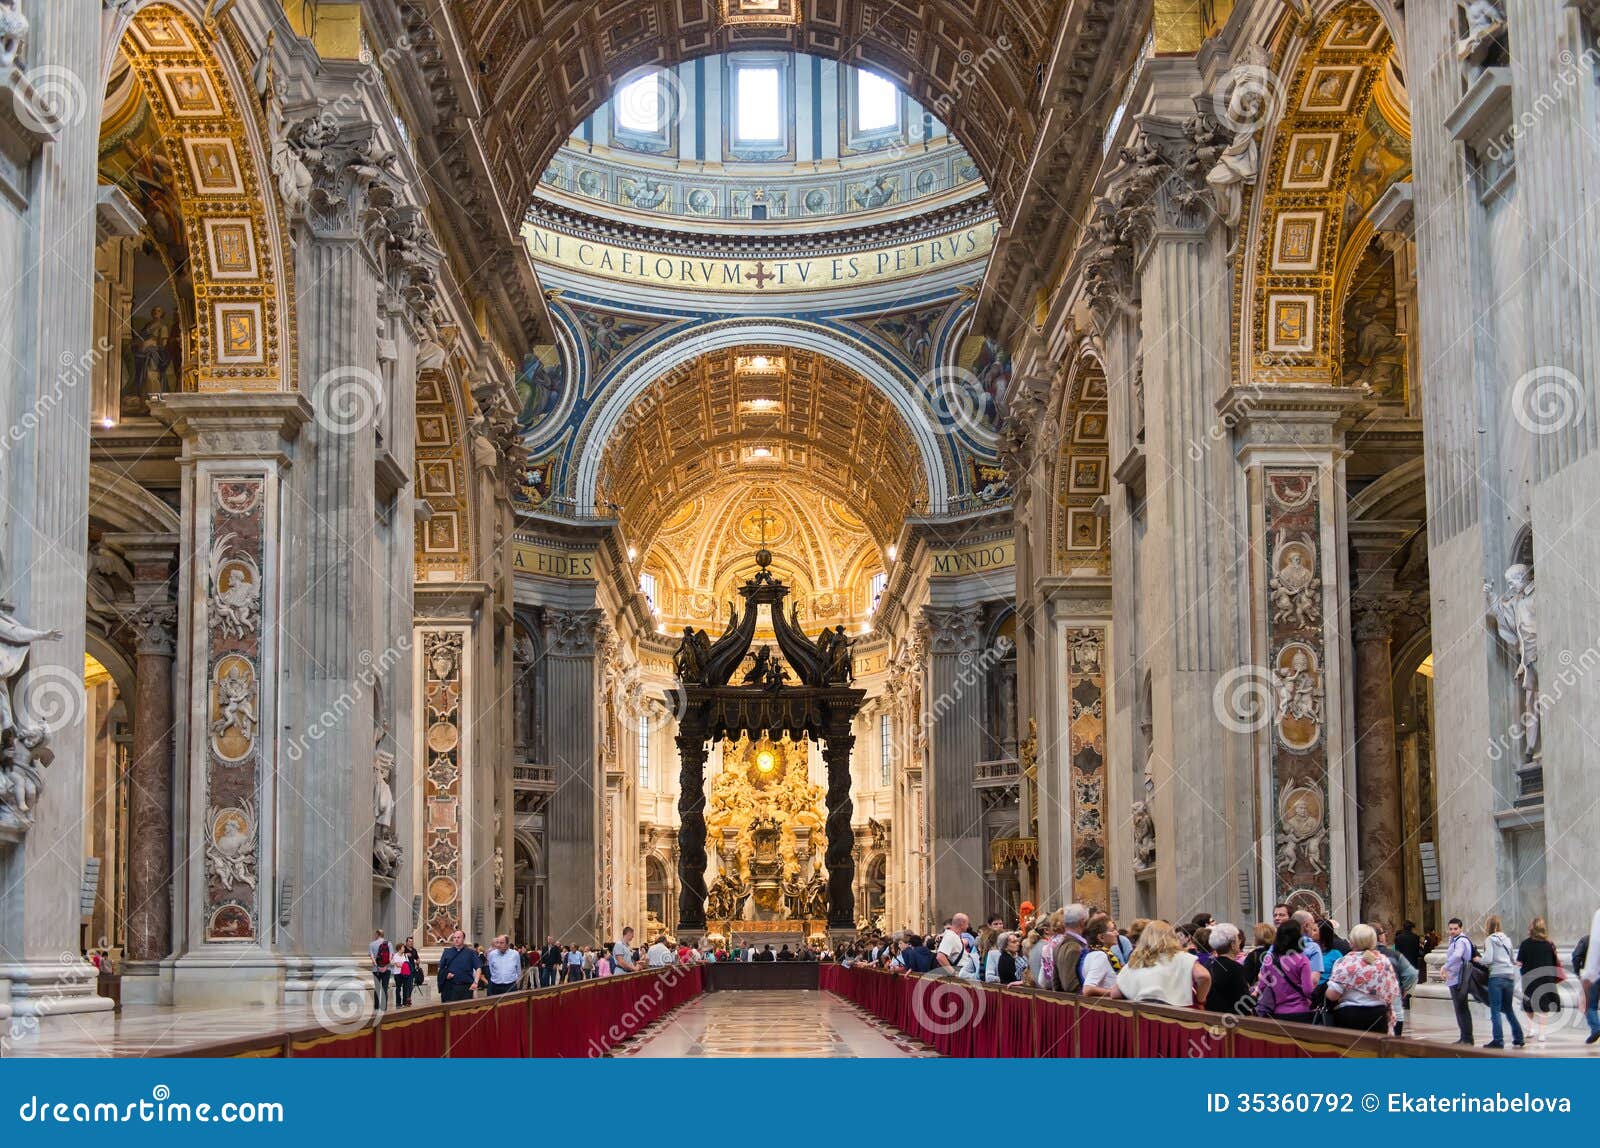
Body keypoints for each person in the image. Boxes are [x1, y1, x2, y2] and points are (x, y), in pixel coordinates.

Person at [1114, 919, 1209, 1007]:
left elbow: (1115, 993)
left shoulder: (1137, 960)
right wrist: (1200, 999)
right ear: (1172, 937)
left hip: (1143, 1017)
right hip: (1176, 1016)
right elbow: (1203, 976)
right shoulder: (1182, 957)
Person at [1325, 924, 1399, 1033]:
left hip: (1351, 1015)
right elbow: (1392, 992)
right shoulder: (1383, 961)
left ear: (1352, 941)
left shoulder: (1345, 962)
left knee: (1353, 1049)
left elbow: (1332, 995)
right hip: (1378, 1015)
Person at [1254, 920, 1318, 1025]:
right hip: (1300, 1012)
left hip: (1277, 1012)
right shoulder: (1302, 959)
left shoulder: (1269, 959)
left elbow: (1262, 985)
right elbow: (1307, 990)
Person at [1480, 914, 1524, 1048]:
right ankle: (1519, 1037)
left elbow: (1488, 959)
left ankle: (1498, 1040)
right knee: (1509, 1009)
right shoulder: (1507, 939)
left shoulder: (1489, 939)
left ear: (1488, 926)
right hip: (1509, 976)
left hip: (1497, 977)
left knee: (1496, 1010)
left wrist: (1478, 960)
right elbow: (1512, 958)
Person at [1516, 917, 1562, 1044]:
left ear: (1532, 928)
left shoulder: (1525, 944)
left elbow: (1519, 962)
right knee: (1543, 1006)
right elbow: (1554, 961)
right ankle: (1542, 1033)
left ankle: (1530, 1029)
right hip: (1546, 977)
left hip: (1529, 977)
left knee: (1529, 1005)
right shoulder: (1549, 944)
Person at [1374, 923, 1417, 1036]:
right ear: (1380, 936)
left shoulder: (1356, 957)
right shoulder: (1393, 955)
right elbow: (1412, 974)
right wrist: (1403, 989)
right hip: (1393, 1006)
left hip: (1368, 1010)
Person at [1204, 923, 1252, 1016]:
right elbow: (1245, 1002)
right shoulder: (1235, 968)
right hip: (1230, 1020)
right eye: (1238, 939)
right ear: (1232, 944)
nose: (1240, 942)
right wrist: (1257, 992)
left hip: (1211, 1016)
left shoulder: (1209, 964)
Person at [1442, 917, 1475, 1045]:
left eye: (1455, 929)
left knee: (1461, 1008)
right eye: (1450, 929)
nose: (1452, 931)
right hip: (1456, 978)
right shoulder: (1455, 940)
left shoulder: (1460, 941)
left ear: (1461, 928)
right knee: (1461, 1008)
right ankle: (1464, 1037)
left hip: (1458, 979)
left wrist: (1445, 966)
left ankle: (1467, 1038)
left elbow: (1457, 955)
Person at [1079, 914, 1122, 998]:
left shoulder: (1095, 953)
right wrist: (1114, 992)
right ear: (1101, 937)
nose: (1117, 933)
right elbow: (1088, 989)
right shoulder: (1100, 955)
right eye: (1113, 930)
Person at [1051, 903, 1091, 994]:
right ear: (1082, 922)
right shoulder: (1074, 947)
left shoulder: (1058, 946)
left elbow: (1056, 983)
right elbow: (1070, 986)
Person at [437, 929, 483, 1002]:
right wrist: (445, 975)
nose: (456, 940)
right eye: (454, 938)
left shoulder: (471, 953)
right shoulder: (447, 952)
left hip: (465, 988)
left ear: (463, 939)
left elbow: (478, 968)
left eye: (458, 937)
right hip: (450, 988)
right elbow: (440, 968)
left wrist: (476, 982)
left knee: (464, 1011)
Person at [369, 929, 392, 1010]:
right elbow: (390, 957)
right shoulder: (388, 943)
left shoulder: (371, 944)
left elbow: (372, 958)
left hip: (376, 969)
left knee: (377, 988)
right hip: (387, 969)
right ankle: (384, 1006)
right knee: (385, 988)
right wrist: (385, 967)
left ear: (377, 934)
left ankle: (376, 1006)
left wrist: (378, 967)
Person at [393, 936, 417, 1006]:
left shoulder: (405, 956)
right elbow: (397, 965)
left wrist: (403, 964)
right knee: (398, 988)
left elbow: (406, 964)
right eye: (403, 947)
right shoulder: (396, 956)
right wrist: (404, 965)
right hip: (397, 974)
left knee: (405, 988)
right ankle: (398, 1002)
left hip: (404, 974)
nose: (404, 949)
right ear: (399, 949)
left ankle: (404, 1002)